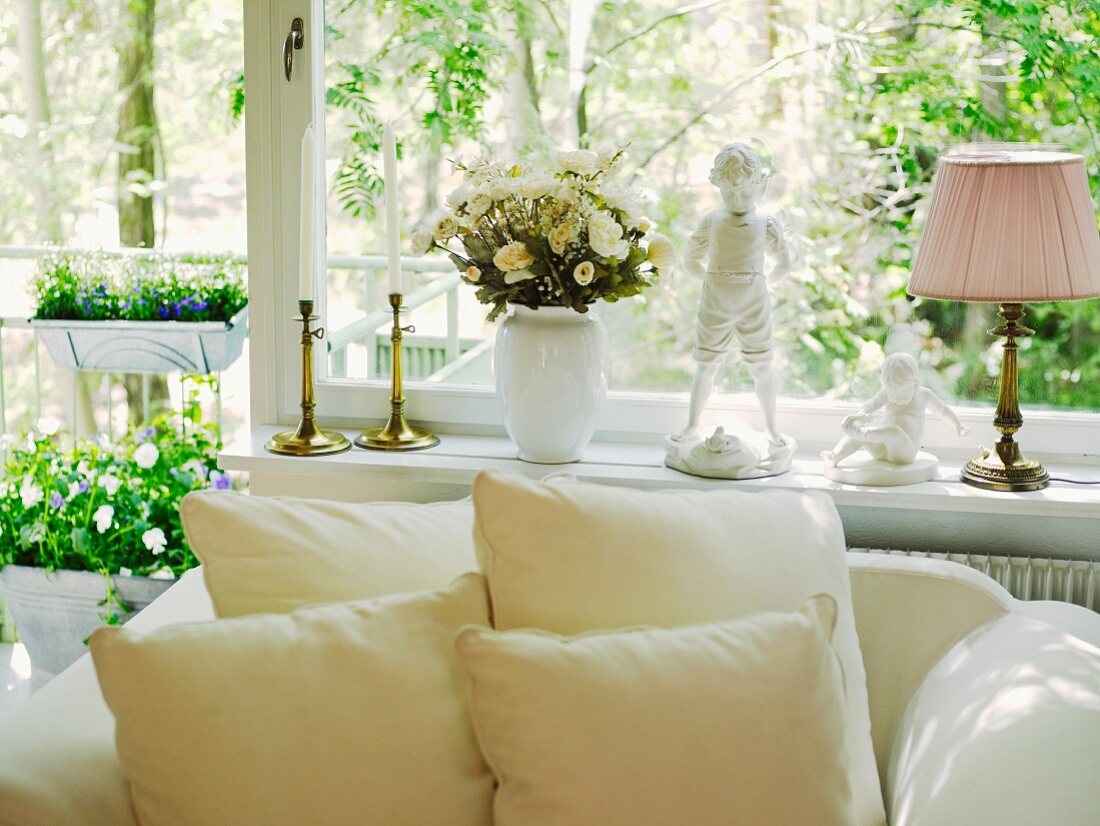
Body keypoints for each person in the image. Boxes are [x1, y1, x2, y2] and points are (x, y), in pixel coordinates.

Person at [674, 142, 792, 445]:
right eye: (729, 193)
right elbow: (689, 259)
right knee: (706, 365)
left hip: (754, 301)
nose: (737, 198)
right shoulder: (712, 220)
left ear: (760, 185)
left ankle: (771, 427)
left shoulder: (767, 222)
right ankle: (691, 425)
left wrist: (764, 284)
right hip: (716, 301)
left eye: (745, 192)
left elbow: (784, 263)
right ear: (717, 186)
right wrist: (711, 281)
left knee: (762, 367)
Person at [822, 352, 970, 467]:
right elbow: (871, 404)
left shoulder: (923, 394)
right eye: (891, 392)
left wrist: (958, 425)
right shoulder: (886, 392)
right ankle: (835, 456)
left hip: (904, 451)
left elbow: (942, 411)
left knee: (893, 431)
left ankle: (861, 434)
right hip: (881, 448)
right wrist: (862, 414)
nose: (895, 397)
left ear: (915, 382)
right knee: (861, 433)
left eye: (901, 393)